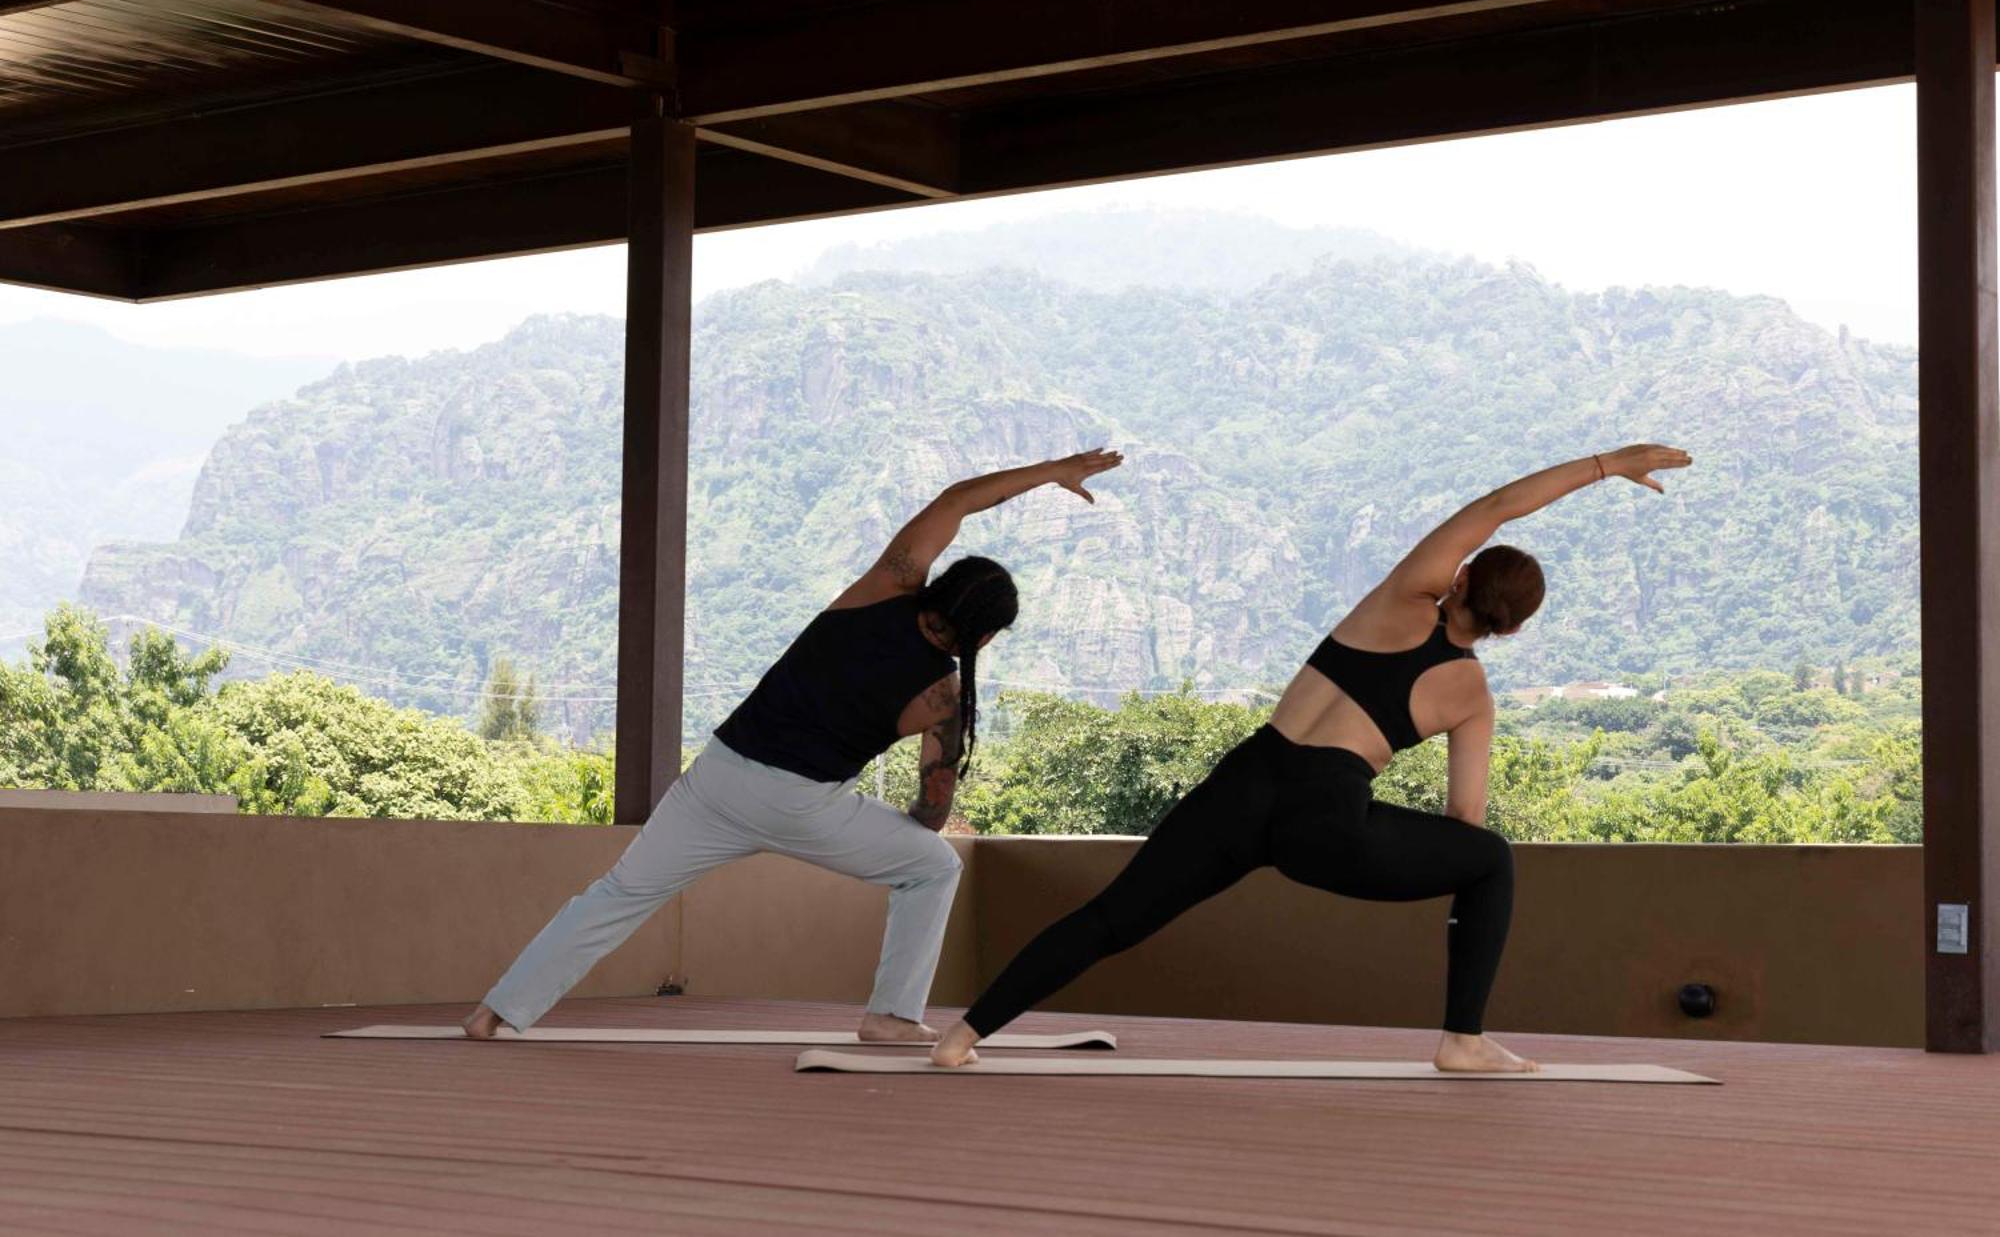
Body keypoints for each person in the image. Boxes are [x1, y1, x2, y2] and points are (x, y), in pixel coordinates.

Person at [931, 444, 1691, 1070]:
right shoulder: (1470, 696)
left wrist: (1606, 464)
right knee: (1488, 858)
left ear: (1459, 580)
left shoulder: (1402, 596)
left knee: (1110, 918)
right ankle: (1462, 1038)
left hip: (1244, 782)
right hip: (1330, 822)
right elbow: (1464, 820)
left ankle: (965, 1037)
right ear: (1512, 630)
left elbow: (1495, 507)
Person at [463, 447, 1125, 1043]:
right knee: (933, 865)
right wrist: (882, 817)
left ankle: (496, 1010)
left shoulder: (887, 584)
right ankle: (891, 1015)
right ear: (985, 637)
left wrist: (1051, 472)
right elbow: (930, 809)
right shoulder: (943, 699)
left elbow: (956, 500)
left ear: (941, 583)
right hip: (803, 805)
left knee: (616, 895)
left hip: (714, 779)